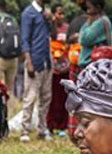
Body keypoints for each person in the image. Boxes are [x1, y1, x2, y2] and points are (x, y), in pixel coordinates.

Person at [20, 0, 54, 143]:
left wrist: (50, 20)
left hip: (47, 60)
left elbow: (51, 34)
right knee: (30, 97)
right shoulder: (29, 13)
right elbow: (25, 40)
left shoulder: (45, 14)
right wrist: (29, 62)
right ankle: (24, 130)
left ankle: (42, 128)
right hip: (35, 61)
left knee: (46, 97)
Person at [47, 4, 70, 133]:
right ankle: (50, 125)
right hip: (52, 69)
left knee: (64, 98)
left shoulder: (68, 29)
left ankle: (63, 126)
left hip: (65, 68)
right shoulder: (48, 28)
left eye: (62, 13)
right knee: (51, 98)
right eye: (58, 13)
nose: (60, 16)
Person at [77, 0, 112, 70]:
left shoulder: (100, 22)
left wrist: (88, 23)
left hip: (92, 64)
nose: (87, 11)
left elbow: (84, 39)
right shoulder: (101, 21)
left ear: (98, 7)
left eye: (89, 8)